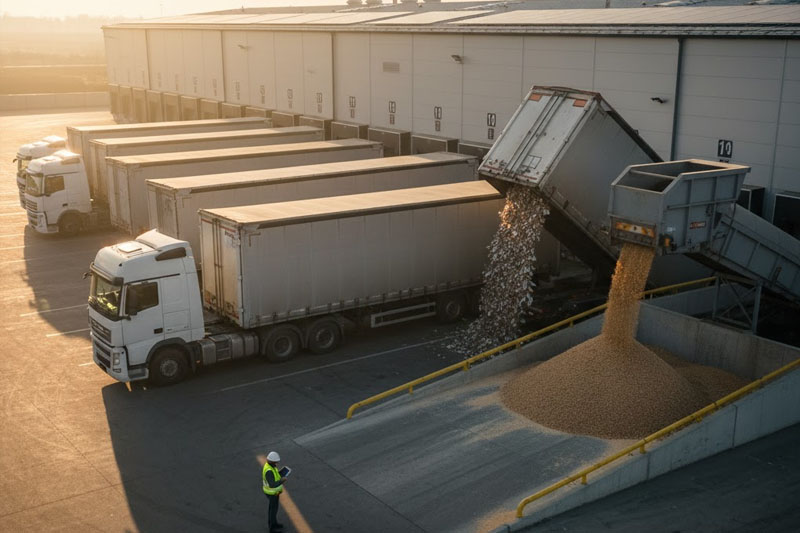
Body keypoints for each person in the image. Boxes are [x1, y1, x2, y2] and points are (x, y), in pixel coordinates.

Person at [262, 451, 287, 532]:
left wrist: (280, 473)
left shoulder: (270, 466)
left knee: (273, 509)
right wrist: (282, 481)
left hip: (274, 493)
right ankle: (272, 528)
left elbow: (274, 475)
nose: (277, 463)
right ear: (271, 461)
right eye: (276, 462)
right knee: (273, 510)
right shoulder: (269, 471)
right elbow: (272, 484)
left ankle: (274, 523)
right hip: (271, 493)